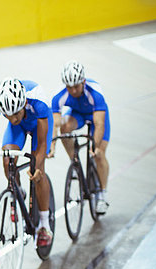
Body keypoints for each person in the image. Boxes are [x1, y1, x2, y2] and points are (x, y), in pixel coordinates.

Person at [0, 78, 53, 247]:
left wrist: (36, 167)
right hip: (19, 131)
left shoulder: (38, 102)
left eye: (16, 113)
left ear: (23, 104)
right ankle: (19, 191)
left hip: (39, 125)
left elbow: (43, 144)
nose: (13, 118)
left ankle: (45, 225)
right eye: (8, 115)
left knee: (38, 172)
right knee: (7, 158)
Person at [49, 60, 110, 214]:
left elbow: (99, 124)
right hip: (78, 114)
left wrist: (94, 146)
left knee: (99, 154)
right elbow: (54, 124)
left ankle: (102, 195)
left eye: (76, 86)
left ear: (83, 81)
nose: (73, 90)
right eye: (69, 87)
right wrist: (52, 146)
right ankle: (74, 162)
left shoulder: (95, 93)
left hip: (97, 115)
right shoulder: (59, 96)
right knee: (65, 127)